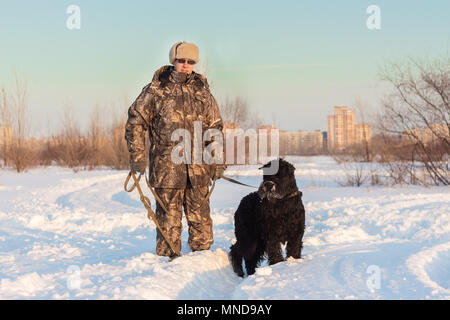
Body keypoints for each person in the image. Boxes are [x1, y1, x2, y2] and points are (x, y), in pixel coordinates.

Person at [124, 41, 226, 259]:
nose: (186, 65)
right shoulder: (156, 90)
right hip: (167, 172)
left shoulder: (203, 91)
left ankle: (202, 268)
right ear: (174, 61)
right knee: (168, 230)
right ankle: (167, 273)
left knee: (202, 230)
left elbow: (214, 128)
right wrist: (138, 157)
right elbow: (135, 123)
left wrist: (216, 161)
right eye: (182, 60)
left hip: (197, 171)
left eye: (191, 61)